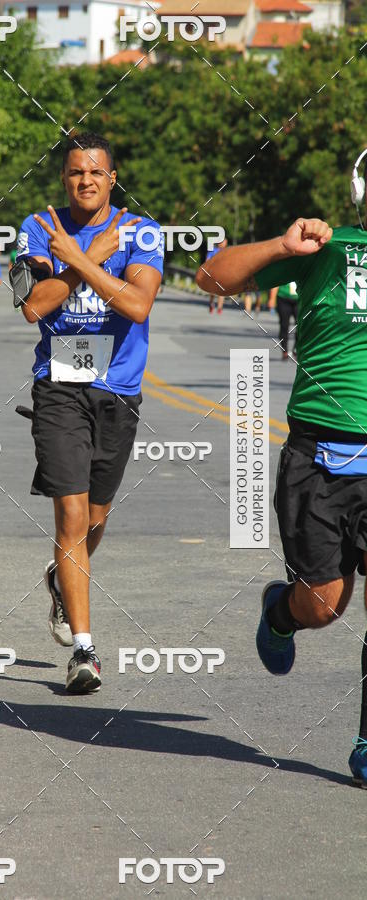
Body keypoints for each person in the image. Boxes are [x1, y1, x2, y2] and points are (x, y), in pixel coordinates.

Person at [195, 165, 367, 787]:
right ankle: (281, 613)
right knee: (323, 607)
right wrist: (279, 245)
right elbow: (210, 276)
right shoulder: (330, 249)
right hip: (320, 456)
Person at [15, 132, 163, 693]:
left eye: (96, 173)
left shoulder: (140, 231)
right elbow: (34, 307)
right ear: (64, 178)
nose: (86, 181)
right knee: (71, 518)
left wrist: (79, 260)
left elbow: (138, 303)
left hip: (118, 391)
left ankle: (60, 578)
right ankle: (84, 652)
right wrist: (85, 259)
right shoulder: (39, 227)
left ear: (112, 177)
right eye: (76, 172)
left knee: (95, 521)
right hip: (59, 384)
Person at [269, 281, 298, 359]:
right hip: (283, 299)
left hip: (299, 300)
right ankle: (284, 350)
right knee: (284, 325)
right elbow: (276, 282)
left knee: (301, 325)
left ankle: (296, 348)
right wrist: (272, 299)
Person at [206, 237, 228, 313]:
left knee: (221, 291)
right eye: (223, 242)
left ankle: (219, 308)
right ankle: (211, 303)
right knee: (212, 291)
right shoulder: (213, 251)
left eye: (225, 242)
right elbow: (207, 261)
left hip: (223, 274)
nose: (224, 244)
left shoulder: (227, 252)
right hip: (213, 273)